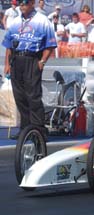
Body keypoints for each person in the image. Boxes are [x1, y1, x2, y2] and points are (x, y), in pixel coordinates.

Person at [2, 0, 57, 139]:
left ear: (32, 3)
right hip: (16, 60)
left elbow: (50, 44)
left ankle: (39, 130)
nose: (22, 5)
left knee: (33, 96)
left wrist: (42, 61)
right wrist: (7, 64)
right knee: (19, 96)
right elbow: (9, 45)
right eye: (20, 3)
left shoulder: (43, 20)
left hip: (33, 59)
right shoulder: (15, 21)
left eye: (25, 2)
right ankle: (25, 129)